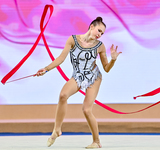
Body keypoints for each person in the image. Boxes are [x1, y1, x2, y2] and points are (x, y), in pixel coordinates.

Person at [35, 17, 121, 149]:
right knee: (63, 95)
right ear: (91, 26)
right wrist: (46, 69)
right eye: (99, 30)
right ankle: (57, 130)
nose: (100, 34)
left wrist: (113, 60)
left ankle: (96, 141)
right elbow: (61, 58)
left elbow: (107, 69)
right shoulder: (73, 40)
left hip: (94, 77)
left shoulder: (100, 46)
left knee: (86, 110)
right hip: (78, 76)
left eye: (102, 33)